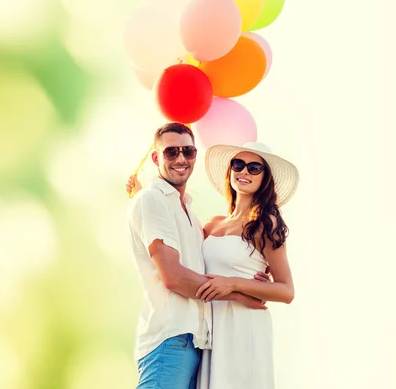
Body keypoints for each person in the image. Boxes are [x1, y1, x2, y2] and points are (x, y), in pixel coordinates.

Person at [127, 123, 269, 389]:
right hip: (169, 339)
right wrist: (238, 294)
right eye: (171, 152)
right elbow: (173, 277)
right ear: (156, 158)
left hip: (196, 341)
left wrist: (250, 271)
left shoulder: (190, 217)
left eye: (188, 151)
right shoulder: (152, 200)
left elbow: (216, 258)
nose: (181, 158)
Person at [195, 142, 299, 389]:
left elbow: (286, 291)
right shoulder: (212, 224)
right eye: (238, 165)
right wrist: (147, 194)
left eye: (254, 168)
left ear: (265, 179)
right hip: (210, 323)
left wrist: (233, 284)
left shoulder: (265, 224)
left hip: (244, 326)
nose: (244, 172)